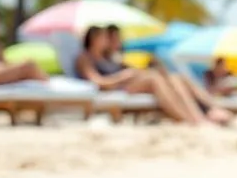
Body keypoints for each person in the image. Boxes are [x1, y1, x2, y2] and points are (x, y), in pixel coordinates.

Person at [74, 25, 210, 125]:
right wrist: (123, 76)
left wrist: (140, 70)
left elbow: (132, 69)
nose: (107, 41)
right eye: (103, 37)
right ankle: (186, 119)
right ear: (93, 38)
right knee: (153, 80)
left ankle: (199, 115)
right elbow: (98, 82)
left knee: (171, 77)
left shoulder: (108, 57)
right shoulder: (85, 58)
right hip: (113, 89)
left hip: (125, 85)